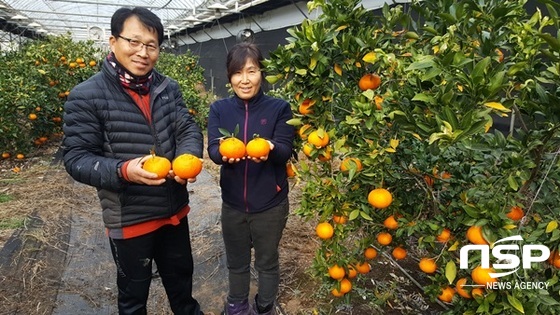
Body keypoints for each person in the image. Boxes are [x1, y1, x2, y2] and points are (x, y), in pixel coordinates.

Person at [62, 7, 209, 315]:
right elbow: (76, 158)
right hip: (130, 220)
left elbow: (187, 128)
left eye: (151, 45)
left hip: (174, 212)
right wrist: (123, 170)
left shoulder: (167, 88)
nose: (143, 52)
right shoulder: (87, 95)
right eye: (134, 41)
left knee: (183, 289)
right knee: (133, 298)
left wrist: (187, 156)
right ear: (113, 41)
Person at [207, 42, 295, 315]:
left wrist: (269, 148)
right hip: (233, 203)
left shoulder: (279, 108)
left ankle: (266, 304)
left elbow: (284, 150)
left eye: (252, 71)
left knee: (267, 261)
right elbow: (213, 149)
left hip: (270, 203)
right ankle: (237, 303)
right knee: (237, 261)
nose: (244, 80)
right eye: (238, 73)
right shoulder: (219, 109)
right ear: (229, 76)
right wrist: (223, 155)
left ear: (261, 73)